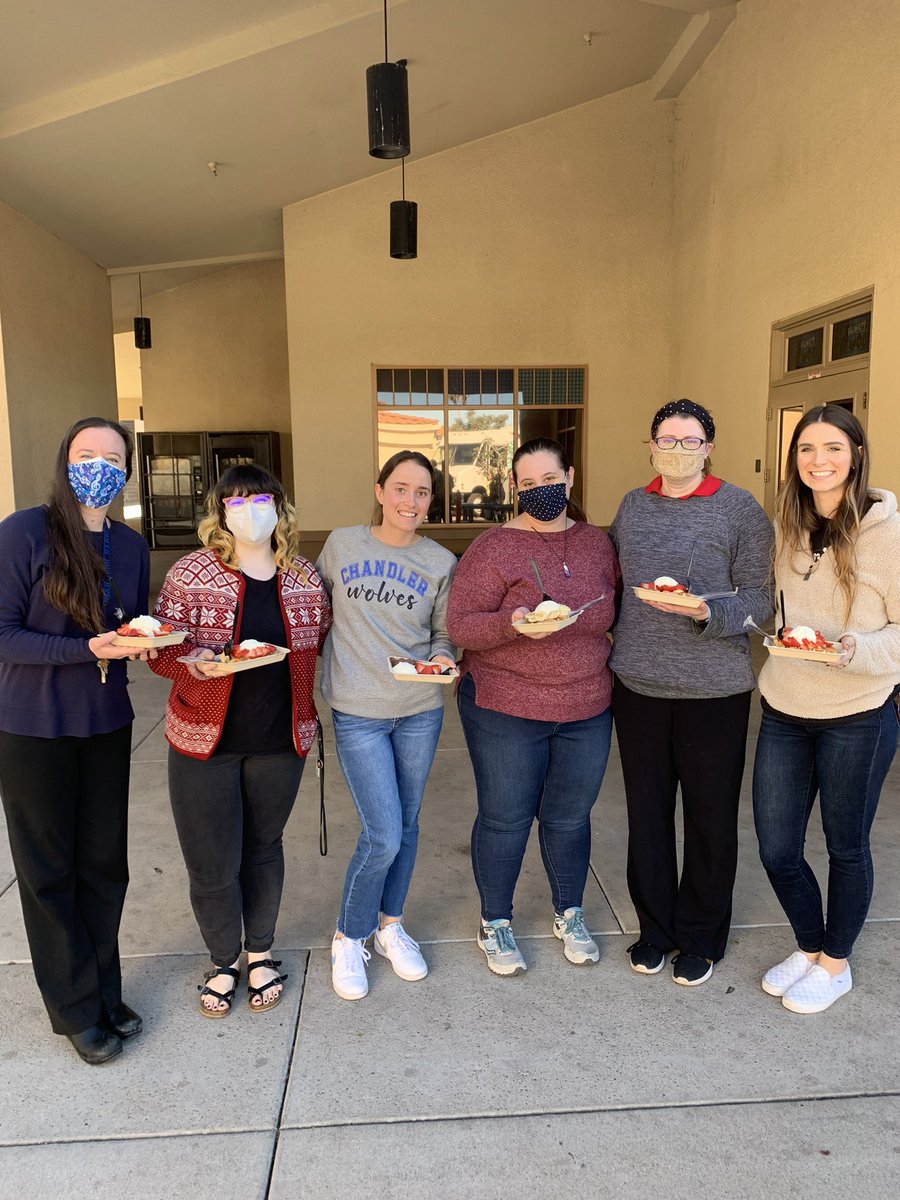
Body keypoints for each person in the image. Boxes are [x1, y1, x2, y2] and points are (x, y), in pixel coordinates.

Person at [149, 465, 330, 1017]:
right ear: (219, 511)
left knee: (263, 848)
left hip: (280, 740)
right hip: (204, 739)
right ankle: (224, 960)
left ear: (280, 505)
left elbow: (322, 642)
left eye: (259, 497)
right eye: (235, 500)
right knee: (211, 861)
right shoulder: (191, 573)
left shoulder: (303, 577)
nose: (248, 507)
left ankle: (260, 953)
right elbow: (157, 649)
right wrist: (192, 662)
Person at [0, 417, 151, 1065]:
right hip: (32, 728)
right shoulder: (23, 532)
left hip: (105, 724)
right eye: (86, 454)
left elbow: (129, 628)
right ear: (65, 460)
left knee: (103, 868)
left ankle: (103, 992)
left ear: (126, 470)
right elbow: (3, 634)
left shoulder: (131, 544)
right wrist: (82, 648)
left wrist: (145, 644)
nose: (99, 466)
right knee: (49, 873)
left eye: (112, 457)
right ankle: (73, 1010)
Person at [609, 399, 773, 986]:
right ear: (650, 445)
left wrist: (706, 609)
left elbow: (761, 602)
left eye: (689, 441)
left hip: (715, 692)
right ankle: (656, 929)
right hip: (638, 686)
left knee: (709, 819)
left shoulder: (741, 511)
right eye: (666, 439)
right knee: (648, 816)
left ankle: (701, 936)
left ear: (708, 447)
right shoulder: (633, 506)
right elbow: (613, 585)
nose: (676, 450)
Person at [447, 437, 620, 976]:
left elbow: (612, 612)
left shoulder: (598, 544)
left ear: (570, 478)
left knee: (570, 818)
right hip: (505, 706)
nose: (541, 491)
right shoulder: (493, 547)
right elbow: (461, 625)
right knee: (505, 818)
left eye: (550, 480)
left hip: (587, 706)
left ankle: (569, 911)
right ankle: (495, 920)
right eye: (528, 484)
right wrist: (512, 623)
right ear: (514, 490)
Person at [753, 405, 899, 1014]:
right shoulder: (787, 522)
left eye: (833, 448)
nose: (819, 461)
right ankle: (810, 945)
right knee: (777, 846)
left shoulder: (885, 533)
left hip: (858, 712)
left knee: (846, 845)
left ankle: (834, 963)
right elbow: (781, 608)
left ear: (856, 454)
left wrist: (853, 650)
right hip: (785, 703)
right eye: (807, 449)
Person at [317, 451, 456, 1001]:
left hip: (419, 709)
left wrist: (444, 659)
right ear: (380, 491)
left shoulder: (441, 562)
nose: (411, 501)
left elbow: (444, 635)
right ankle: (349, 936)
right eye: (401, 489)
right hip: (358, 713)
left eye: (422, 493)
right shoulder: (340, 545)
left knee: (409, 823)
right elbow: (310, 610)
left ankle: (391, 926)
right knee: (383, 831)